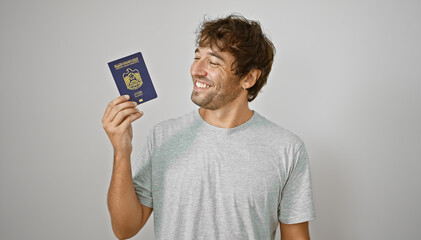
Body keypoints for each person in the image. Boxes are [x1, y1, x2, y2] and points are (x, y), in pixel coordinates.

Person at [102, 14, 315, 240]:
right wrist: (121, 153)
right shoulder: (162, 135)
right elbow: (124, 229)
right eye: (197, 57)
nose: (196, 69)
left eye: (213, 62)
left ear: (249, 78)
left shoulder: (287, 149)